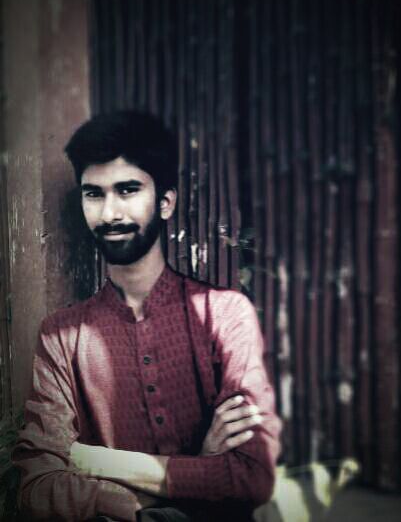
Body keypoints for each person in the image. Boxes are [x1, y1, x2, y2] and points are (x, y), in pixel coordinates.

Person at [12, 111, 281, 521]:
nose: (109, 214)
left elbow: (253, 477)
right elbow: (36, 489)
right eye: (93, 194)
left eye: (127, 190)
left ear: (166, 203)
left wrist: (99, 461)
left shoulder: (226, 315)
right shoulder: (60, 336)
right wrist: (195, 472)